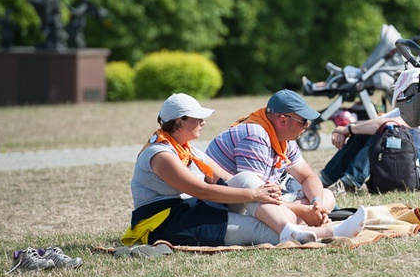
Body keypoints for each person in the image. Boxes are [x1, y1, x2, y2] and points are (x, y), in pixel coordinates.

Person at [124, 92, 366, 248]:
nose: (203, 122)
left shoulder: (188, 150)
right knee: (264, 232)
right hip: (164, 224)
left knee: (253, 188)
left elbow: (229, 180)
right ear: (179, 122)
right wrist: (257, 195)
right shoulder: (161, 155)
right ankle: (331, 231)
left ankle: (295, 228)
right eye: (197, 118)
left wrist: (263, 193)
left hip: (194, 211)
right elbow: (203, 190)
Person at [206, 89, 350, 228]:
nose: (307, 125)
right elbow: (256, 198)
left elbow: (307, 176)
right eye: (303, 120)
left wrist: (316, 202)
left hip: (258, 201)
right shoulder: (255, 136)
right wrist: (304, 210)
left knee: (327, 196)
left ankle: (296, 221)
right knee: (282, 213)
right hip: (230, 206)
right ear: (283, 120)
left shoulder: (284, 138)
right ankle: (294, 223)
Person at [320, 103, 420, 195]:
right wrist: (345, 130)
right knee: (366, 130)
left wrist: (347, 129)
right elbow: (372, 123)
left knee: (387, 129)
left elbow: (386, 124)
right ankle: (325, 180)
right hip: (412, 161)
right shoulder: (406, 107)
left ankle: (349, 182)